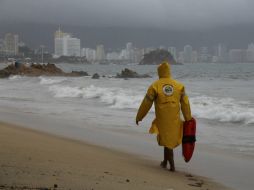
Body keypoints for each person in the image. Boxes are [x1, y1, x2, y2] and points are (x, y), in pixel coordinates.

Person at [136, 61, 192, 172]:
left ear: (159, 72)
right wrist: (188, 118)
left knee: (167, 140)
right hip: (175, 118)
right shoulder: (179, 86)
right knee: (168, 140)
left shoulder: (155, 86)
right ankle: (165, 161)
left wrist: (139, 116)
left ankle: (172, 165)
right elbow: (185, 103)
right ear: (169, 71)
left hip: (162, 119)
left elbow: (146, 103)